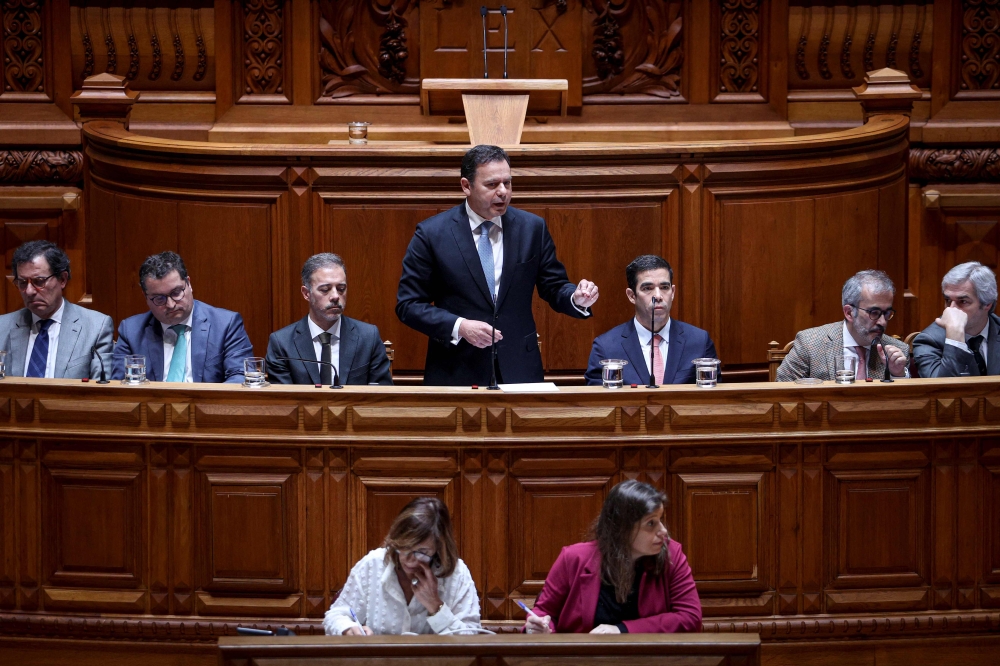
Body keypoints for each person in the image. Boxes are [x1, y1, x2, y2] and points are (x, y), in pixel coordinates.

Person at [396, 144, 599, 386]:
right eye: (492, 185)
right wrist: (460, 326)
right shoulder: (432, 234)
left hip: (519, 369)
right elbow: (408, 305)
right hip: (456, 369)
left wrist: (576, 298)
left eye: (508, 183)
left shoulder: (532, 229)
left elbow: (554, 286)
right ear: (466, 186)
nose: (503, 192)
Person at [524, 480, 701, 634]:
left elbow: (690, 618)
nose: (663, 531)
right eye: (651, 523)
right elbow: (543, 612)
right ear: (622, 529)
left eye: (661, 520)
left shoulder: (672, 554)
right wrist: (538, 628)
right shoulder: (573, 558)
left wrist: (622, 630)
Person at [323, 497, 481, 636]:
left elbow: (471, 638)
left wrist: (436, 606)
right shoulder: (373, 564)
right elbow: (336, 615)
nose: (410, 560)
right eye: (404, 548)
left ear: (439, 548)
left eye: (422, 552)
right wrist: (348, 628)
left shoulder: (457, 574)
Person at [112, 251, 254, 383]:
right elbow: (119, 387)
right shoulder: (131, 331)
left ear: (189, 284)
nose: (171, 304)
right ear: (146, 297)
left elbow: (240, 378)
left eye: (176, 292)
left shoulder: (226, 325)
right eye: (159, 299)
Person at [584, 255, 716, 385]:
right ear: (631, 296)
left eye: (664, 287)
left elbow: (713, 400)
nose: (658, 296)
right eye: (647, 288)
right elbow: (597, 403)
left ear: (673, 292)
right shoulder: (606, 347)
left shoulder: (699, 342)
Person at [266, 253, 392, 385]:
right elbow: (283, 402)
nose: (335, 296)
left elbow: (382, 396)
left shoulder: (368, 337)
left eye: (341, 289)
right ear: (306, 293)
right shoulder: (282, 343)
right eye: (325, 289)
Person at [0, 240, 113, 379]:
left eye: (39, 281)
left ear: (62, 279)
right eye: (22, 283)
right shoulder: (2, 327)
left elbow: (100, 391)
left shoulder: (95, 327)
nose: (29, 291)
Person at [776, 269, 909, 381]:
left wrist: (898, 374)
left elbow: (907, 407)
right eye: (874, 313)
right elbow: (782, 393)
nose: (883, 322)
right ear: (849, 312)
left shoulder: (898, 351)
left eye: (887, 313)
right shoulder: (809, 343)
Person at [913, 261, 1000, 377]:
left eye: (963, 301)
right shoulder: (929, 340)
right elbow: (942, 390)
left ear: (987, 304)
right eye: (948, 301)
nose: (951, 309)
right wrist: (955, 340)